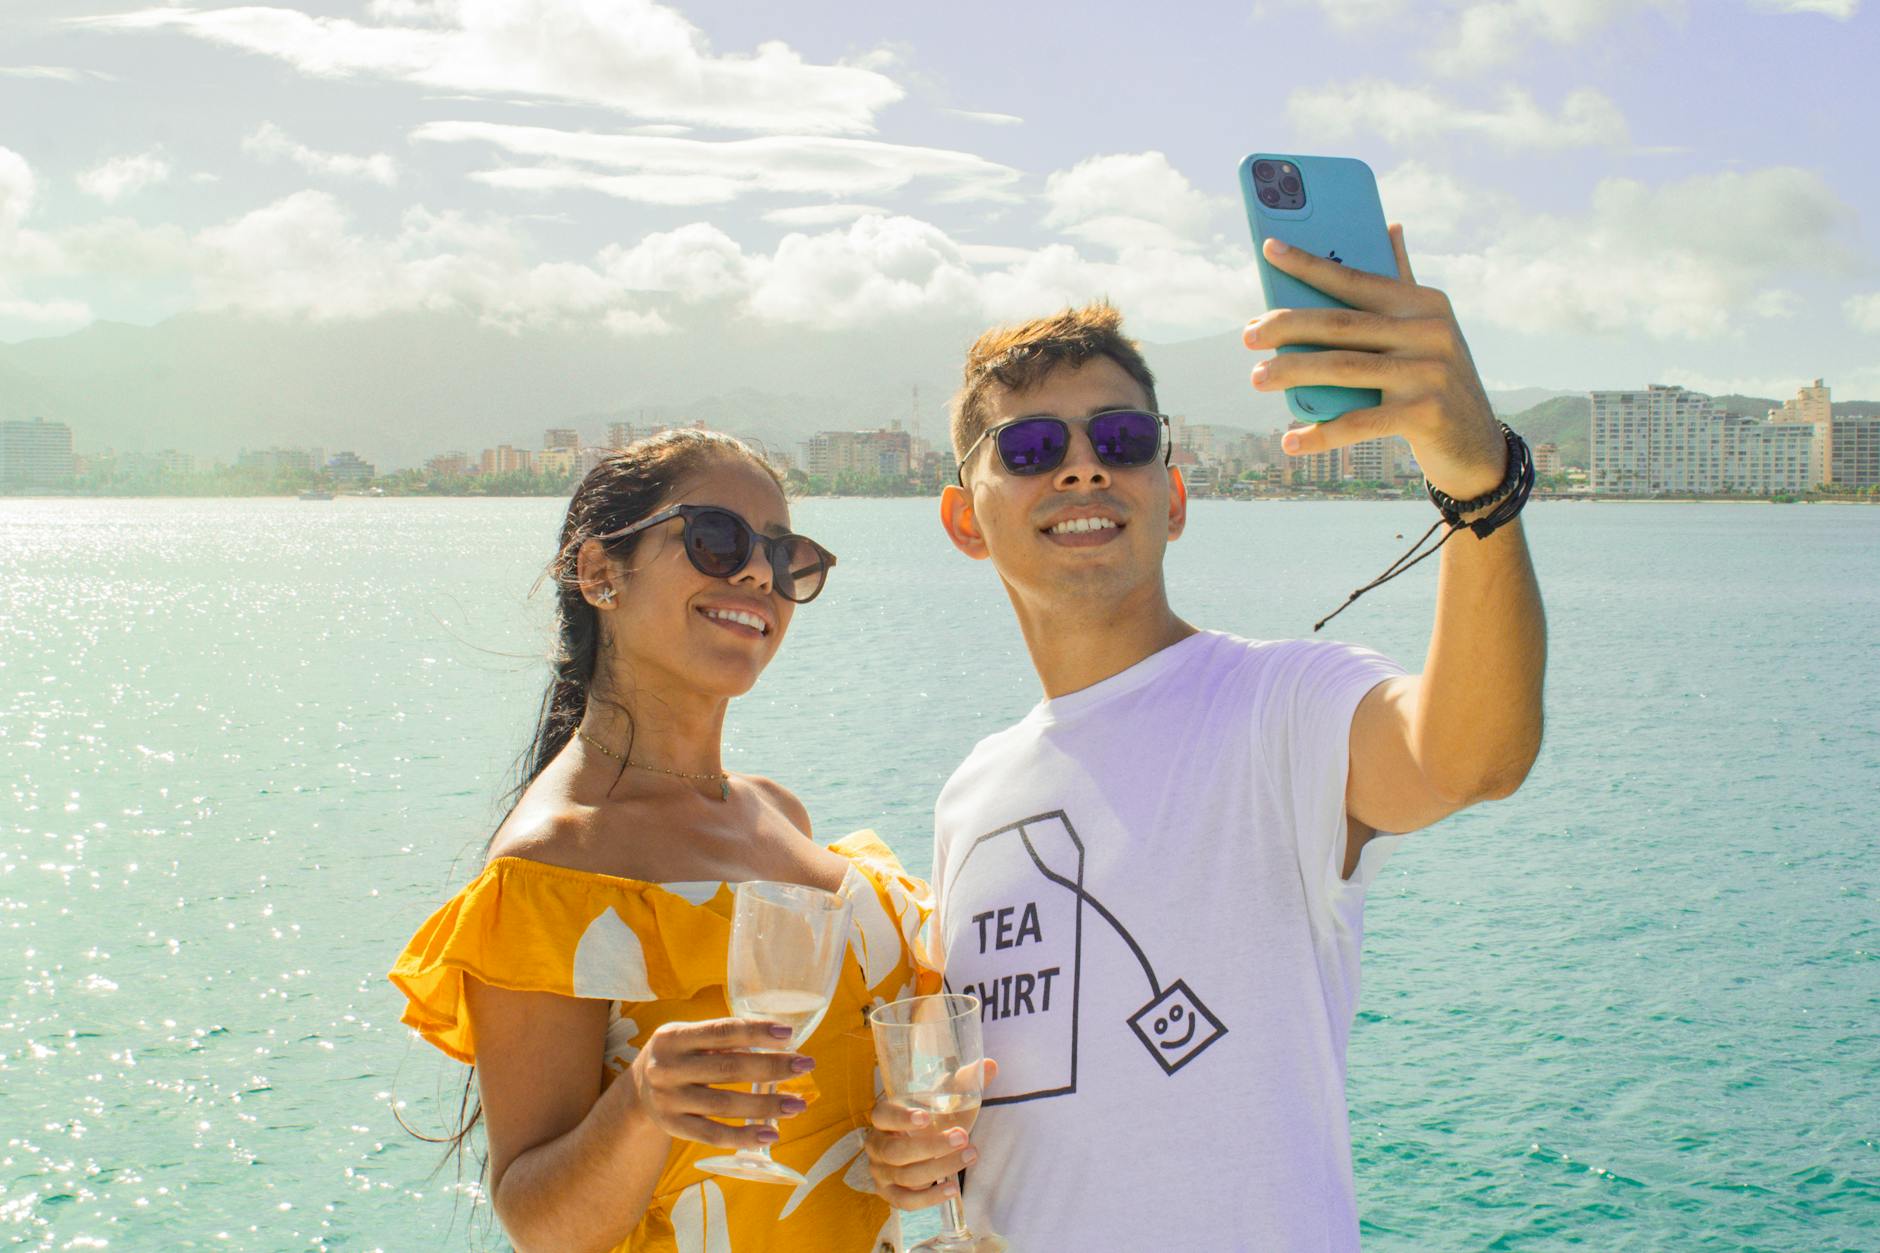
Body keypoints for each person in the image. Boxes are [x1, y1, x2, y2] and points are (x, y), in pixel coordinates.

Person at [864, 232, 1546, 1250]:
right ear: (966, 520)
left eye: (1124, 438)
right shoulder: (971, 794)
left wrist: (1474, 474)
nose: (1085, 466)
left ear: (1171, 497)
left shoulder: (1280, 705)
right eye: (1032, 449)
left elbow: (1467, 756)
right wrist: (914, 1153)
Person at [391, 430, 931, 1253]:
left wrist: (919, 1149)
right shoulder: (553, 867)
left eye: (786, 558)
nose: (757, 574)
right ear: (601, 572)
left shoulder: (780, 813)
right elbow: (542, 1224)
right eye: (717, 539)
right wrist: (642, 1100)